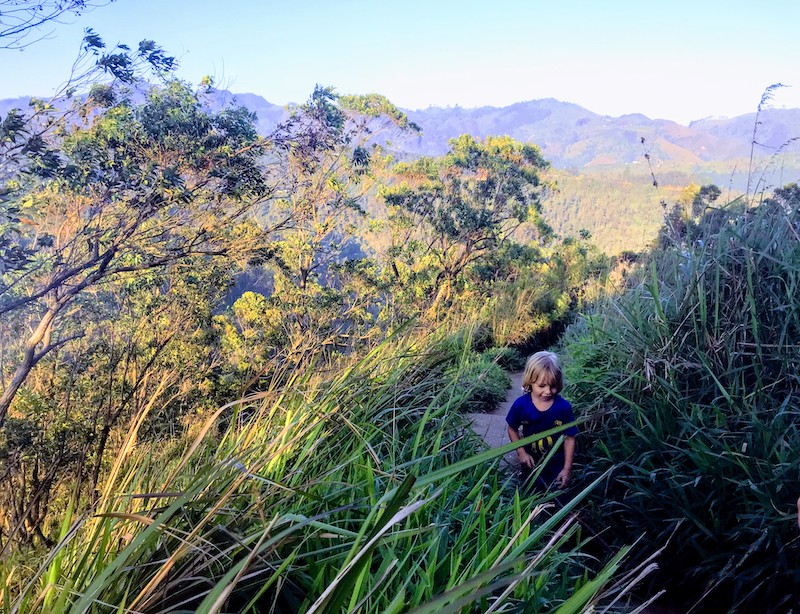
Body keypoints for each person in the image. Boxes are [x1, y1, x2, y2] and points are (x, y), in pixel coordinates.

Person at [506, 351, 577, 493]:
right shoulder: (521, 405)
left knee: (558, 496)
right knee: (530, 495)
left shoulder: (563, 408)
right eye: (542, 386)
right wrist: (521, 452)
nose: (548, 391)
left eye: (553, 386)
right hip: (531, 462)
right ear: (530, 381)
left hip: (556, 463)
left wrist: (567, 468)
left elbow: (570, 438)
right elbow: (512, 428)